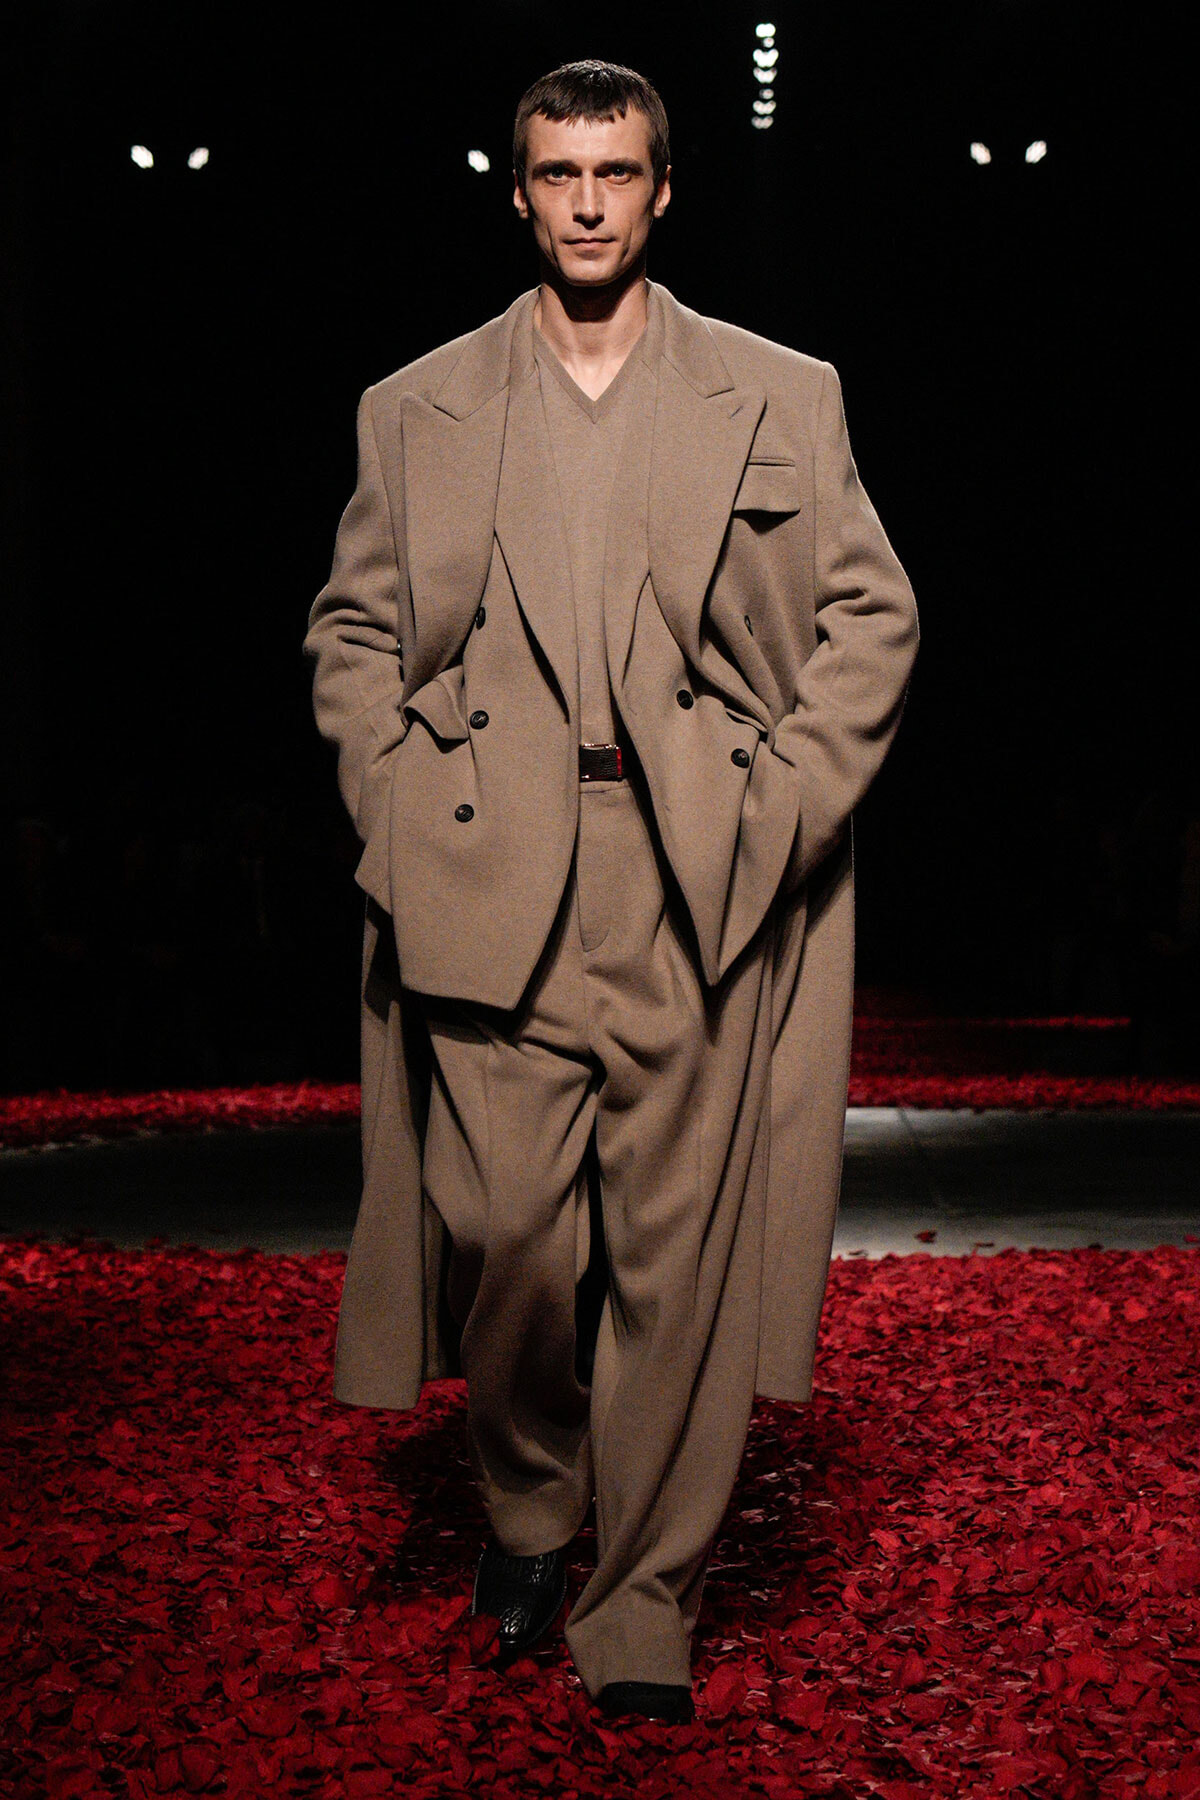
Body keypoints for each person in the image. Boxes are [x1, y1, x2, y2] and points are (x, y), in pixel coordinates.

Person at [303, 58, 919, 1725]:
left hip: (693, 885)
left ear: (665, 191)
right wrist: (391, 801)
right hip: (486, 879)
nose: (587, 201)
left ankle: (643, 1600)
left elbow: (874, 614)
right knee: (504, 1237)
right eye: (558, 173)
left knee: (677, 1267)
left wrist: (780, 801)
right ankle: (527, 1499)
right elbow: (352, 631)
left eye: (618, 173)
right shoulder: (416, 404)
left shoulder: (779, 393)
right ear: (517, 192)